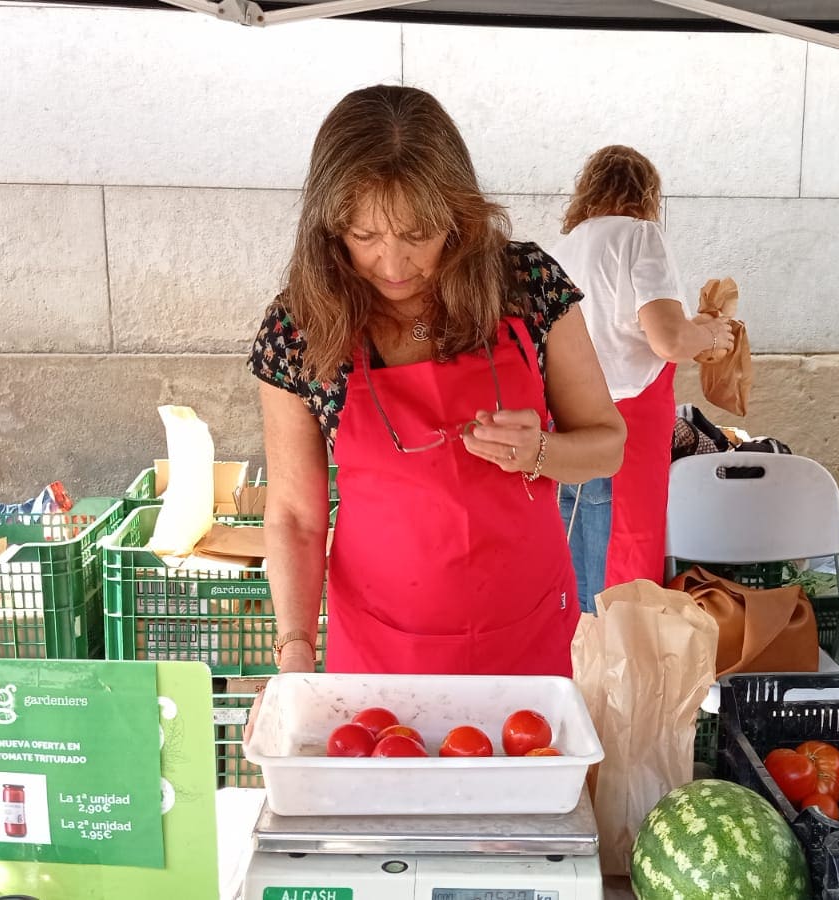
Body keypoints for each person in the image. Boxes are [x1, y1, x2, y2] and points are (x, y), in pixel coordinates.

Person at [248, 85, 625, 678]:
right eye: (365, 237)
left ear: (459, 218)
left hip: (527, 633)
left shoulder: (525, 285)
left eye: (418, 235)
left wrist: (542, 451)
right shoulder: (298, 328)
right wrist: (295, 649)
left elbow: (607, 444)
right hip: (382, 646)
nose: (393, 266)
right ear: (329, 226)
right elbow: (295, 514)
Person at [549, 146, 734, 612]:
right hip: (627, 426)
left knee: (571, 557)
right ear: (647, 194)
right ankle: (616, 673)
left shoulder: (561, 249)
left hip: (565, 421)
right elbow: (669, 339)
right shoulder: (640, 236)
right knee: (625, 555)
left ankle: (575, 672)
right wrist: (710, 333)